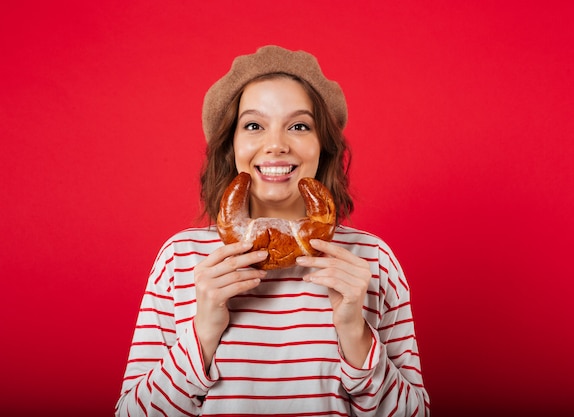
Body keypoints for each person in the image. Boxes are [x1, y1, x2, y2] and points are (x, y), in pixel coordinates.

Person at [116, 45, 430, 417]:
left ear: (322, 145)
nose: (277, 145)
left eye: (299, 126)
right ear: (231, 144)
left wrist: (355, 334)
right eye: (253, 125)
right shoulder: (180, 259)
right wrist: (202, 334)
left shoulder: (372, 259)